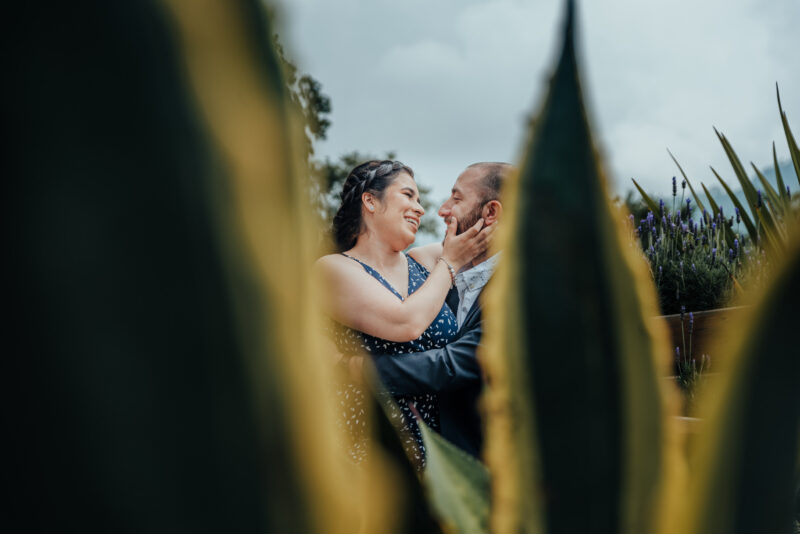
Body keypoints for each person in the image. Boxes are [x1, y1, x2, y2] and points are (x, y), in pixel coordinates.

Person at [315, 160, 493, 465]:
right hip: (373, 451)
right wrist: (449, 264)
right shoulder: (334, 269)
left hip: (444, 451)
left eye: (420, 200)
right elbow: (405, 323)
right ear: (369, 200)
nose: (421, 209)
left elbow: (485, 238)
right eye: (408, 195)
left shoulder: (425, 262)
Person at [369, 162, 512, 458]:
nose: (442, 210)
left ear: (491, 212)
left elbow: (452, 365)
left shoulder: (518, 287)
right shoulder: (448, 279)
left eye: (457, 199)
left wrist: (357, 369)